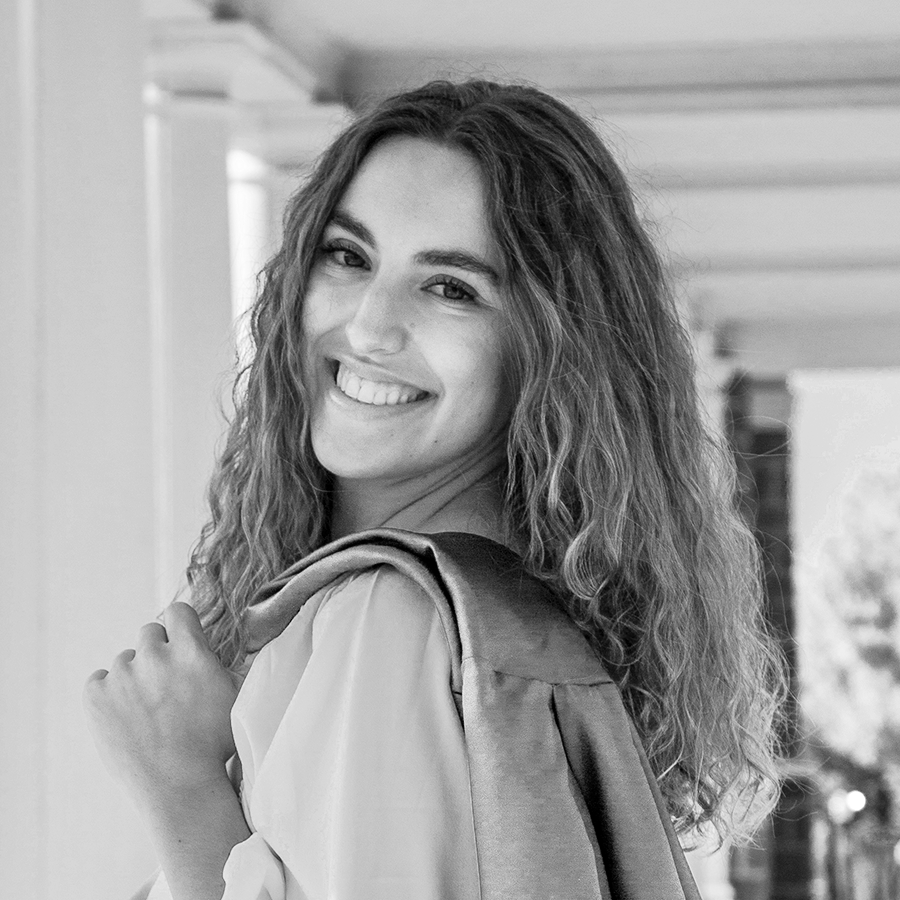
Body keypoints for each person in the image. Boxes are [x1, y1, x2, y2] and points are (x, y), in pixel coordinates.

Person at [84, 79, 785, 900]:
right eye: (348, 256)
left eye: (451, 287)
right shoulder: (501, 625)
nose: (371, 325)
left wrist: (182, 789)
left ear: (546, 351)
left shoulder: (391, 620)